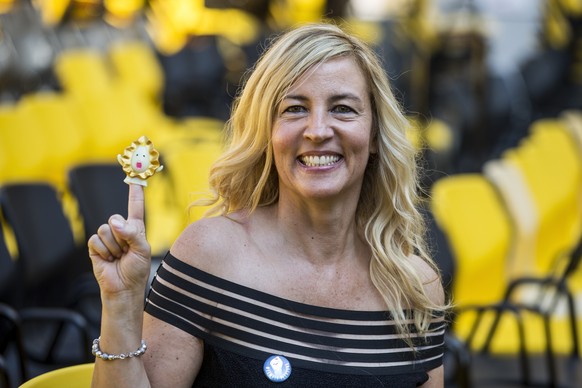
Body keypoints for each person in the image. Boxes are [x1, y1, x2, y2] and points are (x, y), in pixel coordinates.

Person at [88, 22, 448, 387]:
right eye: (294, 109)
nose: (318, 130)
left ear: (374, 135)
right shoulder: (209, 255)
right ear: (267, 133)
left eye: (342, 108)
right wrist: (120, 305)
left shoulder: (415, 287)